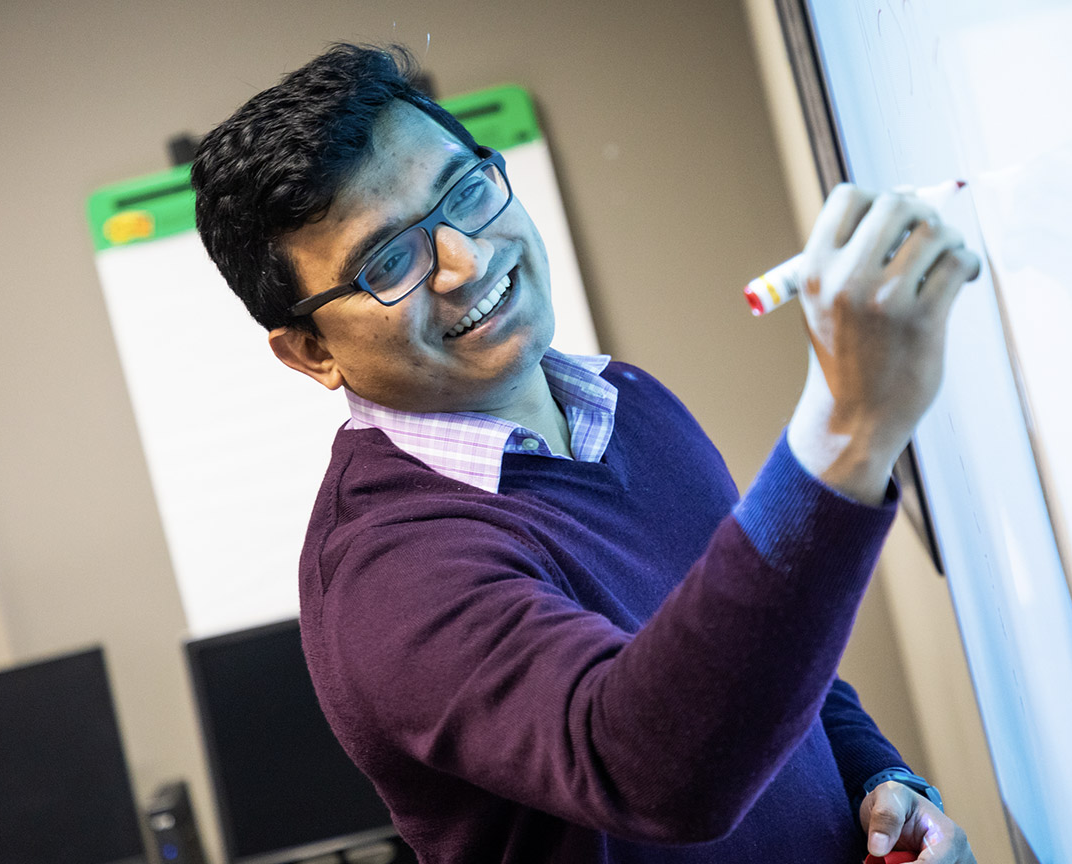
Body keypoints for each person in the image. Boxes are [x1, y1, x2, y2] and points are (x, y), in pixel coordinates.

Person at [192, 44, 979, 864]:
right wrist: (848, 424)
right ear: (311, 352)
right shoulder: (386, 579)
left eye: (464, 192)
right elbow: (654, 768)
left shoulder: (625, 402)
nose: (466, 260)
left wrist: (881, 783)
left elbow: (761, 653)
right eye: (389, 260)